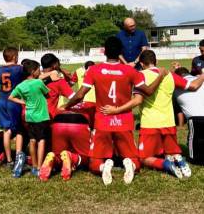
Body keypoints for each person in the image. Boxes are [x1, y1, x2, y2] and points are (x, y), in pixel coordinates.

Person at [61, 36, 165, 185]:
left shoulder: (94, 70)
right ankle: (129, 163)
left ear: (104, 51)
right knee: (135, 160)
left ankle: (103, 166)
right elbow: (147, 91)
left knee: (94, 162)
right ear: (121, 52)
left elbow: (80, 95)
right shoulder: (130, 71)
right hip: (124, 121)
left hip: (103, 120)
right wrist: (160, 76)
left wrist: (66, 106)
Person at [105, 51, 204, 179]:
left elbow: (138, 100)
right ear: (156, 62)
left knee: (143, 158)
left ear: (141, 63)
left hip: (150, 124)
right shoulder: (169, 75)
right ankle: (177, 158)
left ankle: (166, 165)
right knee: (170, 152)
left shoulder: (140, 75)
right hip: (169, 123)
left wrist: (116, 110)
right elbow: (194, 85)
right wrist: (202, 75)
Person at [9, 60, 50, 177]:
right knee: (41, 141)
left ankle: (34, 166)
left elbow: (11, 97)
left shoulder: (20, 85)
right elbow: (47, 94)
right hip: (41, 116)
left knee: (32, 141)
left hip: (29, 116)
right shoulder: (38, 83)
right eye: (38, 69)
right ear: (33, 71)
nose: (40, 71)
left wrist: (23, 101)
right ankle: (40, 166)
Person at [0, 47, 25, 174]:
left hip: (1, 101)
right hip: (14, 101)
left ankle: (9, 160)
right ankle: (19, 158)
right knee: (19, 130)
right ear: (14, 57)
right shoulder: (19, 69)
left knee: (6, 131)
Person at [173, 67, 204, 164]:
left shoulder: (177, 84)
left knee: (193, 138)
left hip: (195, 118)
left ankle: (193, 158)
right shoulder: (199, 79)